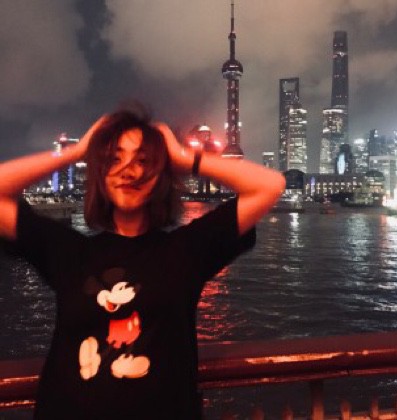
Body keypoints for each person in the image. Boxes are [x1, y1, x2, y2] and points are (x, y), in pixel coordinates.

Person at [0, 106, 285, 419]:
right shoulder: (68, 252)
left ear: (160, 175)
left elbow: (269, 185)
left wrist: (183, 158)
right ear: (99, 173)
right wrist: (77, 152)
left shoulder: (186, 251)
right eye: (114, 159)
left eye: (143, 161)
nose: (128, 170)